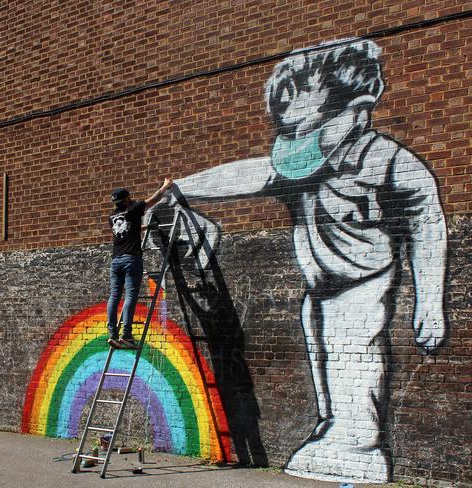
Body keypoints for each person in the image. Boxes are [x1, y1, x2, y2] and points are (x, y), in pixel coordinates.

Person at [149, 38, 447, 482]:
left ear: (357, 108)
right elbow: (248, 173)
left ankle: (358, 443)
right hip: (319, 287)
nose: (297, 140)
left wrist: (430, 303)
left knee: (354, 355)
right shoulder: (299, 165)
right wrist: (181, 188)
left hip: (364, 283)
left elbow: (428, 221)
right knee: (325, 360)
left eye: (309, 127)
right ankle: (333, 425)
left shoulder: (384, 158)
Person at [107, 177, 174, 348]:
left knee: (114, 296)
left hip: (116, 260)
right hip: (131, 258)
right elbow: (155, 199)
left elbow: (128, 229)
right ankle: (127, 335)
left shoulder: (113, 216)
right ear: (128, 198)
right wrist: (166, 186)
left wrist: (144, 228)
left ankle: (112, 333)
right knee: (130, 295)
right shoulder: (134, 208)